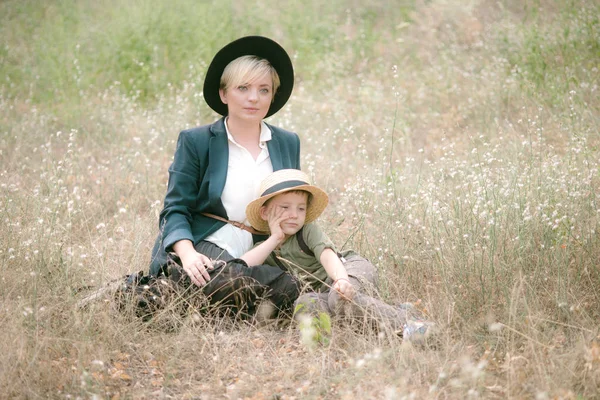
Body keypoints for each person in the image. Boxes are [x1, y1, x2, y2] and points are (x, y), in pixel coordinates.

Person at [147, 36, 301, 317]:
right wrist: (188, 254)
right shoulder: (197, 141)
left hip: (261, 250)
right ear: (223, 94)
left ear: (272, 96)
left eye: (264, 90)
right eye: (243, 88)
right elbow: (175, 209)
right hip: (206, 245)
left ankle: (177, 295)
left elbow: (294, 203)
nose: (254, 98)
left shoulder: (287, 142)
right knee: (230, 279)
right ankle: (161, 290)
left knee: (293, 284)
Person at [241, 169, 436, 340]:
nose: (294, 214)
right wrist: (274, 238)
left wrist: (342, 280)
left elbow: (327, 255)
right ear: (265, 213)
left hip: (348, 269)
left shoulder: (307, 231)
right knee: (305, 304)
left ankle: (412, 327)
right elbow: (242, 266)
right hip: (324, 291)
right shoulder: (264, 246)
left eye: (301, 208)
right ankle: (394, 310)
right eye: (285, 207)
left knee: (339, 297)